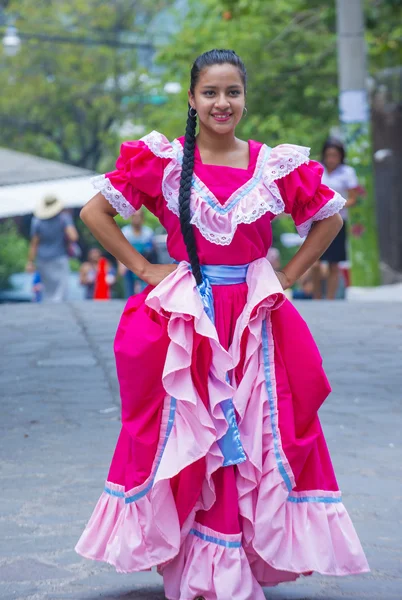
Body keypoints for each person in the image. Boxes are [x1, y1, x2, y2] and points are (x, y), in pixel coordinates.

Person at [75, 50, 369, 599]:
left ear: (244, 98)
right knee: (193, 434)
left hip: (254, 320)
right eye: (210, 92)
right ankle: (196, 556)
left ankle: (243, 555)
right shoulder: (164, 161)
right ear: (192, 99)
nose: (221, 103)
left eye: (232, 92)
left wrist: (288, 277)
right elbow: (94, 213)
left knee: (259, 432)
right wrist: (141, 267)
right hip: (189, 319)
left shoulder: (272, 165)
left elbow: (330, 215)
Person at [312, 139, 359, 299]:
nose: (331, 158)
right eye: (328, 155)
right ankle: (317, 297)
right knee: (315, 261)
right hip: (317, 220)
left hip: (337, 221)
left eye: (335, 155)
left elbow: (353, 198)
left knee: (334, 263)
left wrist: (336, 205)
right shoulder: (316, 169)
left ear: (341, 156)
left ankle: (330, 299)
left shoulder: (347, 172)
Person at [26, 196, 78, 302]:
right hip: (59, 257)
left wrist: (30, 262)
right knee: (61, 289)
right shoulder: (64, 218)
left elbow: (34, 244)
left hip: (42, 259)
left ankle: (49, 311)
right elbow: (73, 236)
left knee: (47, 289)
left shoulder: (37, 221)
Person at [118, 209, 159, 297]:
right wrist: (121, 265)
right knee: (129, 289)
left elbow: (153, 251)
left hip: (145, 263)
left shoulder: (148, 232)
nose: (136, 219)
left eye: (139, 216)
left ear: (142, 218)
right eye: (134, 216)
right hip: (129, 264)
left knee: (145, 290)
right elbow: (120, 250)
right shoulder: (125, 232)